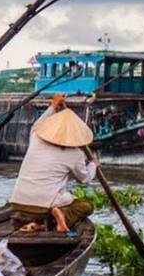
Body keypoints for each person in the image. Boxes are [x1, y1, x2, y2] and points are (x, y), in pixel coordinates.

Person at [9, 93, 96, 233]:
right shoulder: (75, 153)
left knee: (56, 198)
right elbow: (85, 178)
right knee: (86, 206)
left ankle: (39, 224)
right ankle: (62, 219)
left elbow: (37, 125)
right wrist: (93, 165)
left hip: (18, 202)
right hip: (44, 206)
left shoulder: (36, 138)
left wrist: (53, 106)